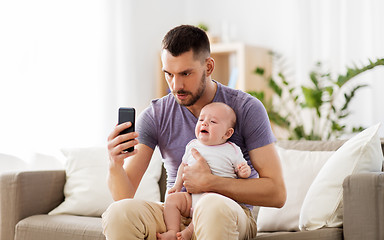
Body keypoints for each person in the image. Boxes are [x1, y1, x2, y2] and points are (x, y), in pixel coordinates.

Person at [103, 24, 286, 240]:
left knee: (212, 205)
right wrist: (115, 164)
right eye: (168, 74)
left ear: (208, 67)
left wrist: (211, 183)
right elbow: (124, 196)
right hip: (177, 212)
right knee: (119, 213)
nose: (176, 85)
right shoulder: (156, 115)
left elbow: (277, 193)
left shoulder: (246, 108)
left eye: (185, 73)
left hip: (229, 212)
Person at [158, 102, 252, 240]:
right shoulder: (192, 145)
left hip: (217, 197)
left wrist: (244, 171)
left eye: (213, 121)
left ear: (227, 133)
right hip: (191, 198)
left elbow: (242, 168)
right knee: (172, 200)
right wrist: (177, 185)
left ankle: (189, 232)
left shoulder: (232, 149)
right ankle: (173, 230)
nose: (204, 124)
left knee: (209, 207)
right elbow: (183, 166)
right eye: (201, 120)